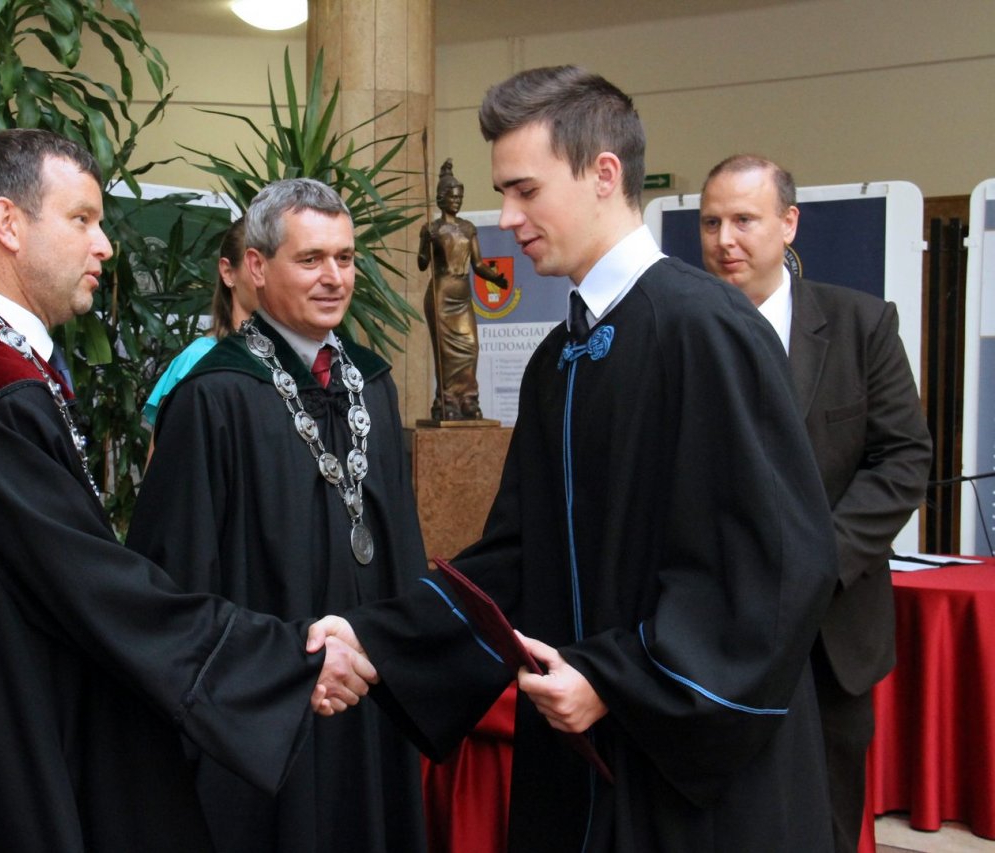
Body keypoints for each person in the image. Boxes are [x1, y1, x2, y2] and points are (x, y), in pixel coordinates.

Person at [342, 65, 841, 852]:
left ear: (604, 174)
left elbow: (773, 563)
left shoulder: (706, 330)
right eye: (503, 193)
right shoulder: (559, 358)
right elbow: (516, 554)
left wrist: (616, 678)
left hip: (686, 779)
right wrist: (376, 640)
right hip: (576, 758)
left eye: (525, 190)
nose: (507, 218)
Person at [0, 129, 374, 853]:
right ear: (8, 224)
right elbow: (90, 583)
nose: (105, 246)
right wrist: (283, 659)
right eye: (82, 219)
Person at [127, 177, 431, 853]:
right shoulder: (213, 396)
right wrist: (271, 670)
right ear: (256, 268)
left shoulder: (372, 384)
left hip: (369, 695)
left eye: (345, 258)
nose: (334, 278)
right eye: (311, 259)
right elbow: (174, 576)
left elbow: (401, 546)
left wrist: (399, 648)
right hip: (266, 711)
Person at [699, 154, 933, 853]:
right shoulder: (679, 330)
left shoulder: (860, 324)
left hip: (833, 635)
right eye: (711, 223)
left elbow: (903, 459)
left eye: (744, 220)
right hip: (712, 629)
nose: (724, 240)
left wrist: (816, 563)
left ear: (789, 224)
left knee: (825, 823)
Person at [143, 217, 255, 436]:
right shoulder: (197, 359)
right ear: (228, 272)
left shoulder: (297, 359)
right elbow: (165, 456)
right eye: (256, 264)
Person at [418, 158, 508, 420]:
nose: (457, 201)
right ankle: (447, 402)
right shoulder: (432, 229)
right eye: (452, 197)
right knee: (445, 354)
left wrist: (496, 279)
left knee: (470, 347)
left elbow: (478, 265)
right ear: (441, 198)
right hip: (441, 294)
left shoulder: (468, 228)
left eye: (460, 197)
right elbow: (422, 264)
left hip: (462, 294)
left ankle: (468, 399)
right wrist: (426, 244)